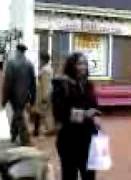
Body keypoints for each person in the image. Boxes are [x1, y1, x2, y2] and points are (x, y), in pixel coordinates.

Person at [51, 52, 101, 180]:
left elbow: (94, 105)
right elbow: (60, 114)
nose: (83, 67)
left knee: (89, 175)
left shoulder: (88, 85)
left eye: (85, 63)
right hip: (69, 140)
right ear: (71, 66)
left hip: (88, 139)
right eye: (79, 63)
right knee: (69, 175)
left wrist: (95, 116)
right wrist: (85, 114)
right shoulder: (62, 85)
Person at [1, 44, 36, 146]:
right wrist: (33, 97)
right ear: (24, 51)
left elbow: (7, 82)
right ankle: (13, 132)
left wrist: (4, 98)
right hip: (25, 95)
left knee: (19, 115)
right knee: (18, 112)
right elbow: (33, 83)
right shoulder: (30, 64)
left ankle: (25, 140)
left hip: (13, 95)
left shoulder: (11, 63)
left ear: (17, 51)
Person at [31, 52, 54, 137]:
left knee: (41, 112)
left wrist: (45, 96)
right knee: (41, 112)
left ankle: (45, 129)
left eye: (40, 59)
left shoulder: (45, 70)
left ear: (43, 60)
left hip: (43, 94)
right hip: (43, 93)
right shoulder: (48, 68)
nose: (40, 60)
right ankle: (39, 130)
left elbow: (45, 84)